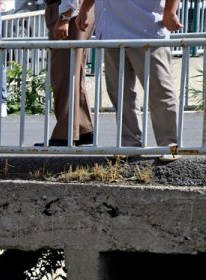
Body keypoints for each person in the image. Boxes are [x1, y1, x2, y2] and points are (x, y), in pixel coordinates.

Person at [78, 0, 181, 160]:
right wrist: (85, 8)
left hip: (146, 29)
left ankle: (169, 145)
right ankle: (129, 144)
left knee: (160, 91)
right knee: (120, 93)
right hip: (111, 30)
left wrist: (170, 11)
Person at [38, 0, 94, 146]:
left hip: (69, 11)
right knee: (72, 73)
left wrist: (65, 16)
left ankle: (65, 134)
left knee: (64, 74)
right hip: (73, 10)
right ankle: (82, 128)